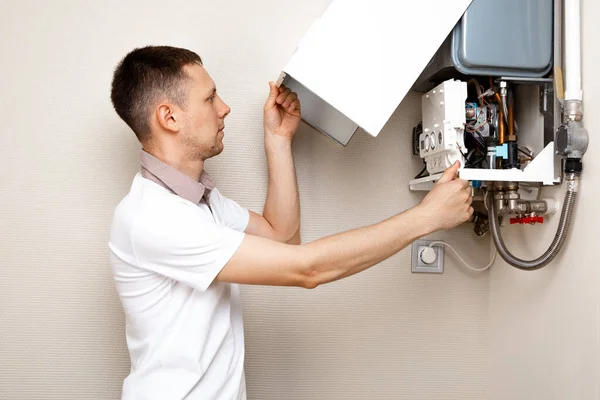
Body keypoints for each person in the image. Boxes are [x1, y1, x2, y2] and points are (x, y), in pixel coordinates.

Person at [108, 45, 473, 400]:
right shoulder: (155, 217)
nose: (225, 108)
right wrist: (427, 216)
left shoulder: (199, 201)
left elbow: (281, 236)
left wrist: (278, 139)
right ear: (169, 117)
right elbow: (306, 269)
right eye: (210, 98)